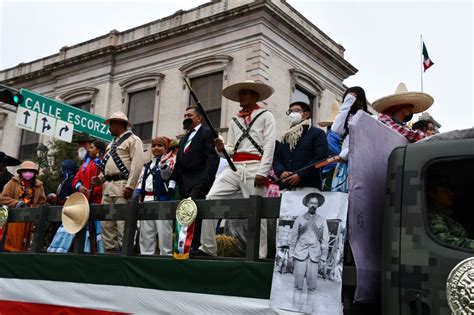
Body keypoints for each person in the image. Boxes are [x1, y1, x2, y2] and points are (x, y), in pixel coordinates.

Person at [202, 80, 276, 258]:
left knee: (258, 211)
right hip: (234, 167)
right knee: (211, 199)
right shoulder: (234, 119)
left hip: (255, 166)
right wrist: (220, 148)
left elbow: (269, 145)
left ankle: (261, 254)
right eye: (240, 94)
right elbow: (231, 150)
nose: (240, 97)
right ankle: (208, 247)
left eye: (244, 93)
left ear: (254, 96)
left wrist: (262, 171)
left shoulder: (266, 116)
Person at [168, 107, 220, 255]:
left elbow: (212, 159)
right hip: (184, 184)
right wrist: (172, 182)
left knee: (195, 213)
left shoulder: (207, 132)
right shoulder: (184, 138)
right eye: (184, 115)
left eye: (189, 115)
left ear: (199, 118)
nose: (186, 117)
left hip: (199, 181)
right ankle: (184, 247)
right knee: (186, 215)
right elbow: (179, 163)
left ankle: (195, 246)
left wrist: (206, 182)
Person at [95, 111, 144, 253]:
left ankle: (126, 251)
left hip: (123, 186)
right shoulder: (111, 144)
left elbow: (137, 165)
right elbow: (108, 167)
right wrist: (99, 178)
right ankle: (110, 251)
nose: (109, 128)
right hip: (108, 187)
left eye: (111, 124)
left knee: (123, 222)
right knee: (106, 223)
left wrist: (130, 186)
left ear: (118, 124)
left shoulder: (134, 140)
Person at [273, 101, 328, 189]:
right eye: (290, 112)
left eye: (296, 111)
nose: (292, 114)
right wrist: (281, 172)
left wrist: (301, 175)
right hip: (286, 187)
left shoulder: (317, 133)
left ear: (306, 114)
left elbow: (321, 159)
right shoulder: (286, 137)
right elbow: (277, 158)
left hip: (308, 186)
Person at [323, 87, 369, 192]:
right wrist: (347, 105)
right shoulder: (345, 119)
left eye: (353, 96)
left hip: (357, 163)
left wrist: (344, 155)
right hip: (342, 164)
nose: (350, 99)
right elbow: (335, 130)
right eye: (347, 97)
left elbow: (362, 142)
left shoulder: (367, 119)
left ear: (361, 101)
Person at [135, 136, 174, 256]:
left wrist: (162, 164)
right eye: (154, 145)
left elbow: (167, 176)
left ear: (166, 148)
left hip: (162, 201)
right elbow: (141, 182)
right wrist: (137, 194)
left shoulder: (170, 161)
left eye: (159, 145)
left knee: (164, 233)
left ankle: (165, 257)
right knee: (146, 233)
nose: (156, 148)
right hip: (147, 200)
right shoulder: (147, 166)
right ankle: (146, 256)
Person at [0, 161, 46, 251]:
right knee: (11, 243)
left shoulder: (39, 185)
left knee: (27, 243)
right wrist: (16, 203)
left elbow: (42, 200)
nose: (28, 173)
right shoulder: (12, 183)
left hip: (30, 219)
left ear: (35, 173)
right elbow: (2, 198)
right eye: (25, 171)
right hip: (14, 219)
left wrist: (36, 206)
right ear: (21, 172)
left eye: (31, 171)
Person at [289, 192, 329, 291]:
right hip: (300, 252)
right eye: (311, 203)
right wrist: (291, 253)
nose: (313, 205)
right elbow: (293, 237)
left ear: (318, 205)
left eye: (315, 203)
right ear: (307, 204)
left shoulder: (322, 220)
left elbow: (325, 240)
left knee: (312, 286)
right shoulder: (299, 219)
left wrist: (323, 257)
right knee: (298, 284)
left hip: (315, 254)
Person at [427, 179, 474, 250]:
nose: (451, 194)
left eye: (450, 191)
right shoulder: (431, 217)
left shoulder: (446, 216)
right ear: (432, 194)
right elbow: (444, 241)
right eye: (445, 191)